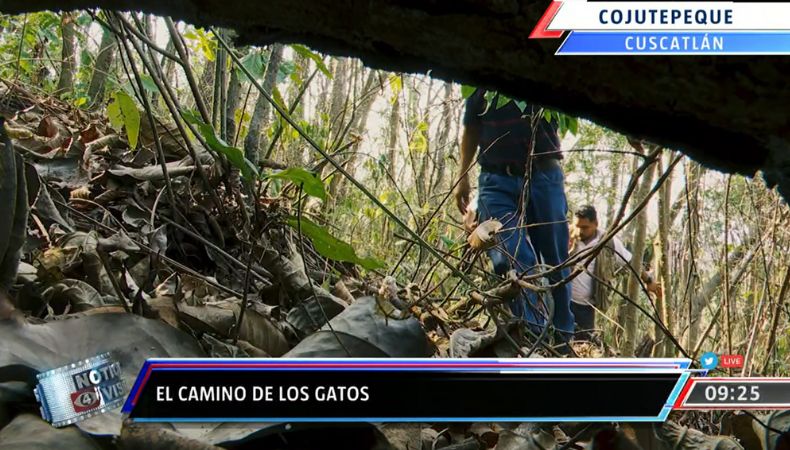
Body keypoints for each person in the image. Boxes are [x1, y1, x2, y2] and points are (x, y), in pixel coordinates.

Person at [454, 89, 574, 338]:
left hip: (544, 174)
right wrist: (462, 176)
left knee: (555, 262)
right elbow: (472, 126)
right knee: (512, 258)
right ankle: (531, 337)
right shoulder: (479, 79)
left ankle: (563, 340)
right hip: (496, 180)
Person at [569, 205, 660, 340]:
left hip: (586, 307)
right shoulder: (567, 236)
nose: (580, 231)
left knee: (582, 343)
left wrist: (649, 281)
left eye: (585, 227)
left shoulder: (608, 242)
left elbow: (630, 262)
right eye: (577, 226)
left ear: (596, 224)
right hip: (563, 301)